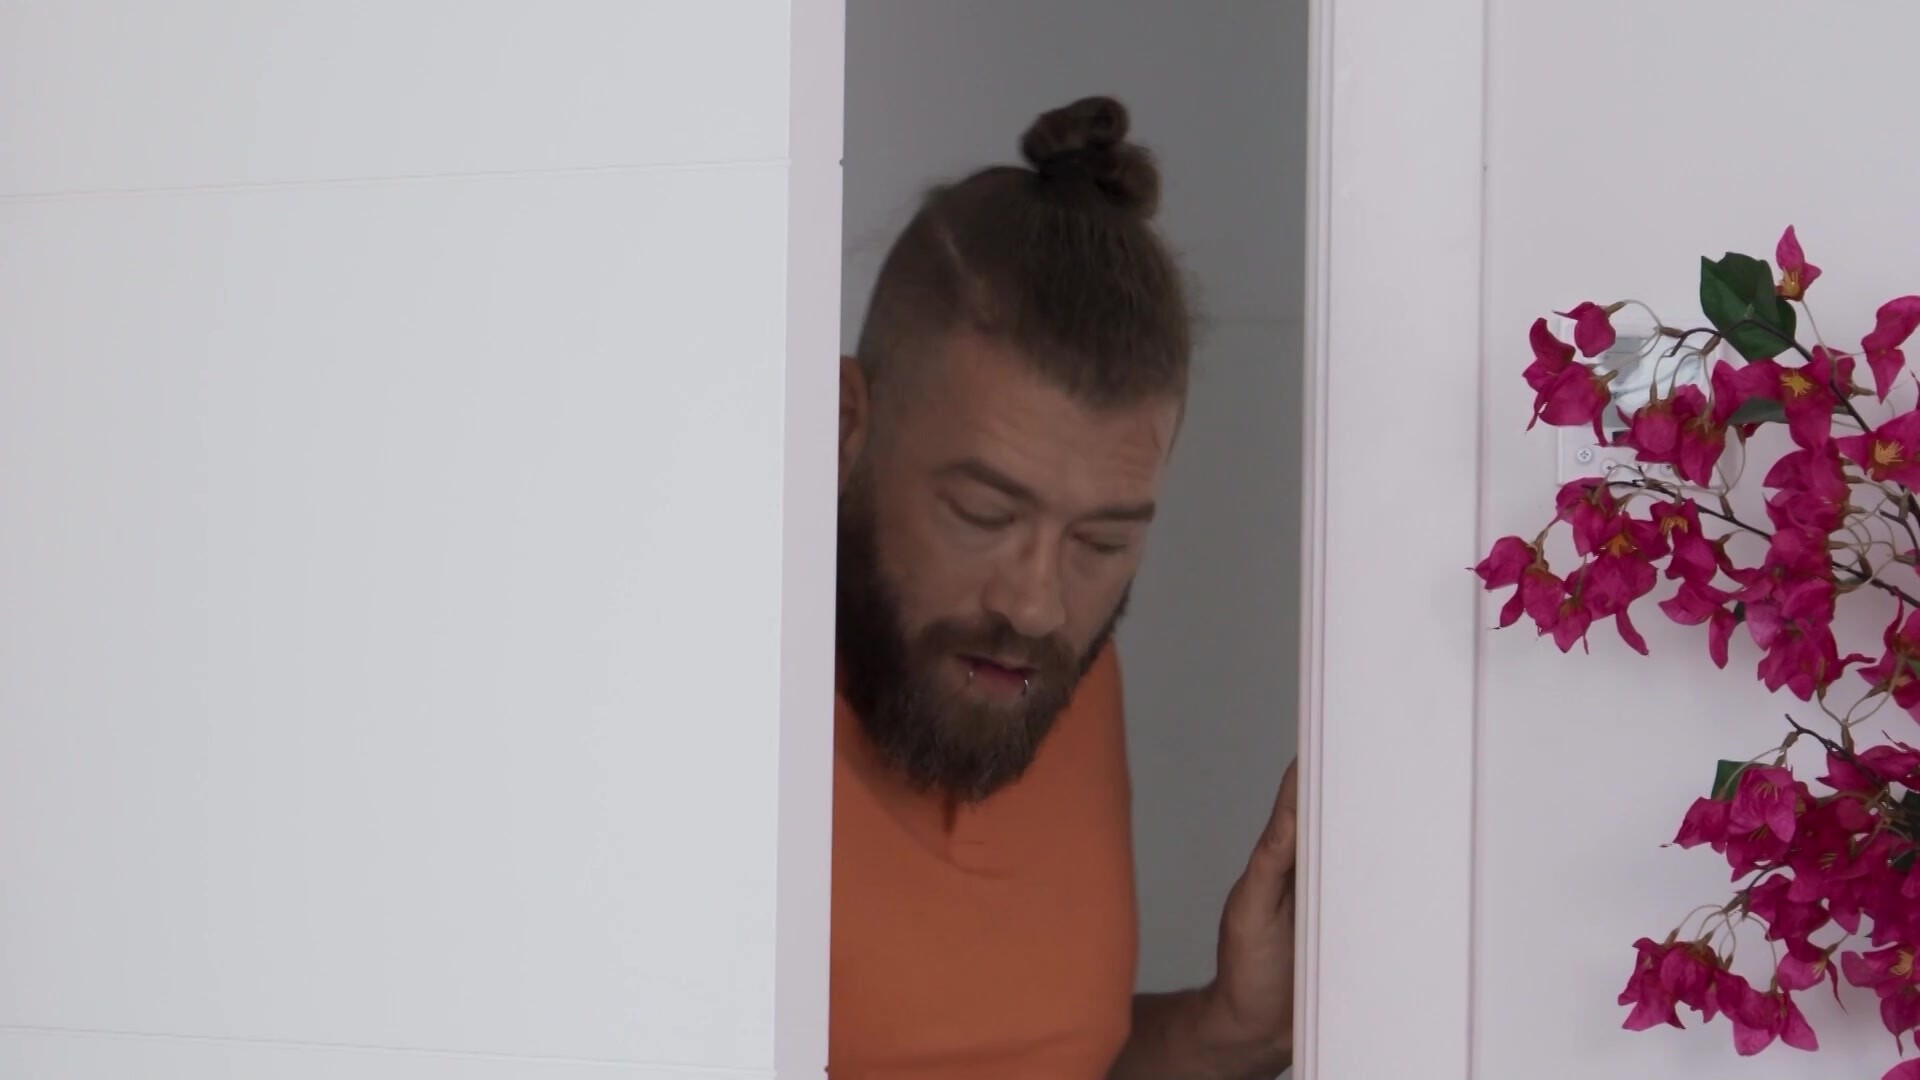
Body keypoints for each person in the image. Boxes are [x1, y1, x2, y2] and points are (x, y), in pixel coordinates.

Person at [830, 95, 1299, 1079]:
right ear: (844, 427)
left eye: (1101, 541)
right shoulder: (704, 711)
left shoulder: (1042, 670)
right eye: (984, 514)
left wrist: (1232, 1029)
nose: (1038, 603)